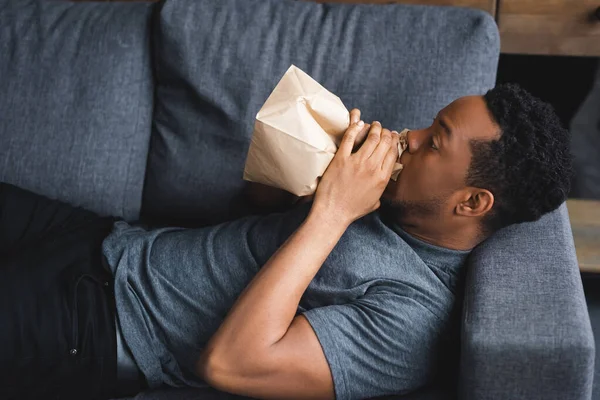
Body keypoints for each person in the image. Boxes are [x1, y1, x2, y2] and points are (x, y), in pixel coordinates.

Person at [0, 84, 572, 400]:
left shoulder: (412, 317)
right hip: (103, 240)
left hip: (97, 323)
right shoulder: (393, 202)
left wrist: (332, 213)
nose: (410, 136)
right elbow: (245, 224)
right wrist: (302, 174)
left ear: (471, 203)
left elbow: (232, 365)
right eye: (429, 123)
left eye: (435, 142)